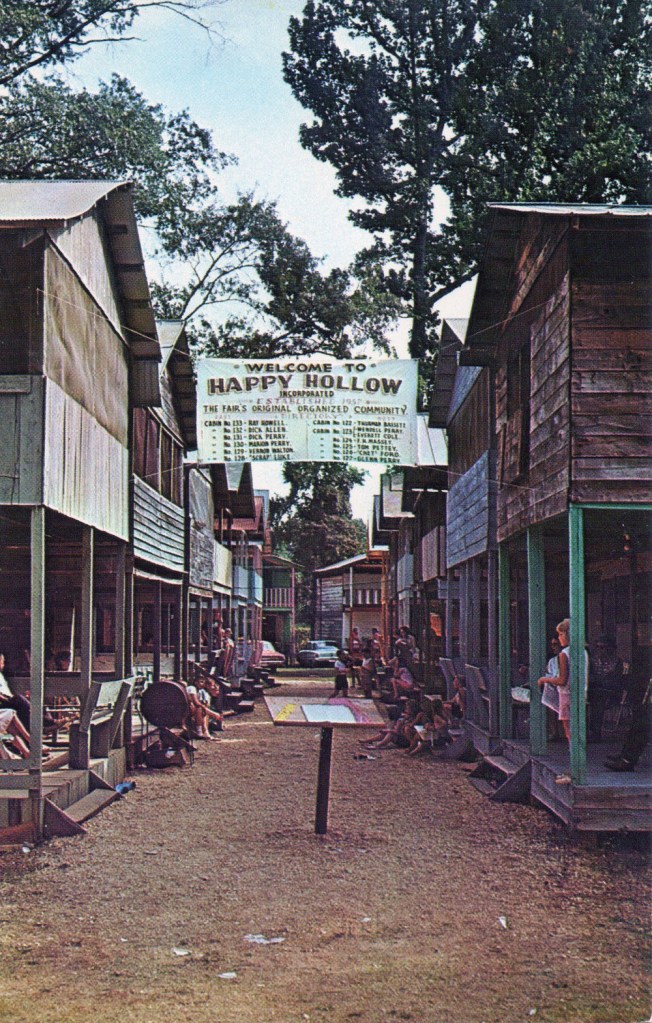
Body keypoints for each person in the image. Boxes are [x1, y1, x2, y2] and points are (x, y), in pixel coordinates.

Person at [537, 619, 573, 784]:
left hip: (566, 695)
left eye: (560, 634)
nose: (559, 638)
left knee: (569, 734)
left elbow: (562, 680)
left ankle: (573, 769)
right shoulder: (582, 652)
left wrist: (545, 679)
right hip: (578, 694)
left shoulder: (564, 655)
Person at [588, 634, 624, 743]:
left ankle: (596, 732)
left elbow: (615, 679)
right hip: (594, 688)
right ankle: (590, 730)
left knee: (599, 699)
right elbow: (590, 675)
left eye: (603, 647)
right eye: (598, 647)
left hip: (610, 690)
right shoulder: (592, 660)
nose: (600, 650)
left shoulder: (616, 662)